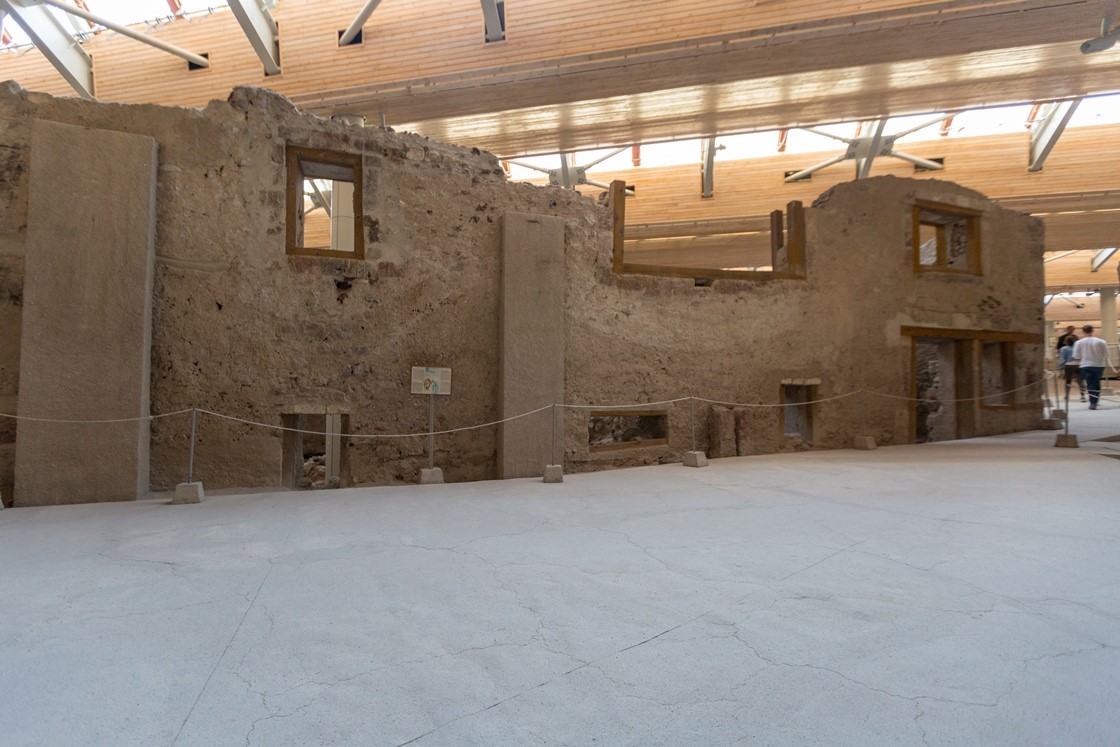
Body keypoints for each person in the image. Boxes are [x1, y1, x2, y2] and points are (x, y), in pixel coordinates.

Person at [1072, 325, 1112, 410]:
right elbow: (1106, 354)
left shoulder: (1079, 343)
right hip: (1098, 365)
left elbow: (1076, 356)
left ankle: (1092, 402)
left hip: (1085, 365)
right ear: (1092, 331)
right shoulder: (1101, 342)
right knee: (1096, 382)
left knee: (1090, 383)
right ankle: (1095, 400)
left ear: (1083, 332)